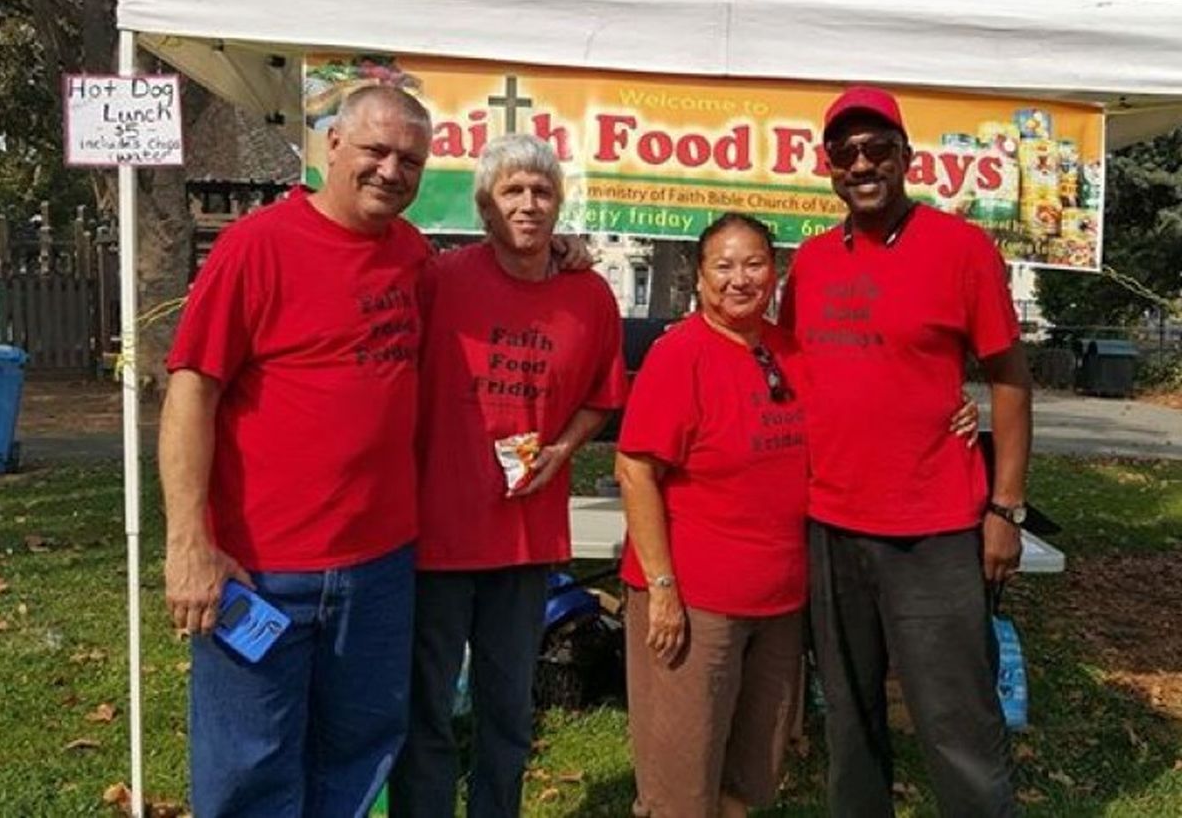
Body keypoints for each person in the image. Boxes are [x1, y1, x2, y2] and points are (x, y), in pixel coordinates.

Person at [159, 84, 433, 817]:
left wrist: (554, 254)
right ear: (332, 145)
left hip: (377, 566)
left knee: (359, 754)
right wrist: (189, 544)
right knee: (249, 768)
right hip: (260, 568)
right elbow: (191, 393)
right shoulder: (257, 247)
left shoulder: (411, 255)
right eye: (375, 150)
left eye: (410, 160)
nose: (391, 170)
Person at [780, 86, 1033, 817]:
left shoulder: (962, 249)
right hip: (830, 523)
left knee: (957, 721)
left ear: (906, 157)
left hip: (933, 529)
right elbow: (790, 372)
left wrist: (1006, 507)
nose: (861, 164)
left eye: (877, 149)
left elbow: (1010, 379)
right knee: (849, 717)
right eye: (845, 153)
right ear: (829, 168)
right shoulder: (813, 261)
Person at [389, 134, 627, 818]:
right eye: (512, 190)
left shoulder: (589, 295)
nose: (528, 203)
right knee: (428, 708)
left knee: (508, 708)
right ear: (485, 206)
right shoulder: (440, 279)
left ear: (559, 205)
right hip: (438, 534)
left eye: (542, 191)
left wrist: (562, 449)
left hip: (524, 540)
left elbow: (603, 396)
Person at [615, 213, 809, 818]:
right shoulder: (681, 354)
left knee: (751, 769)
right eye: (723, 266)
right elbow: (635, 470)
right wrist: (662, 588)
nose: (739, 278)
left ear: (774, 272)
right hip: (696, 602)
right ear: (699, 278)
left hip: (780, 599)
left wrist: (953, 410)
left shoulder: (790, 350)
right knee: (682, 778)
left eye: (754, 263)